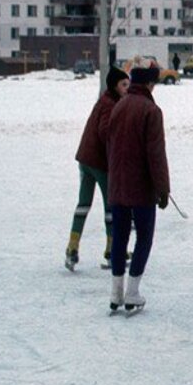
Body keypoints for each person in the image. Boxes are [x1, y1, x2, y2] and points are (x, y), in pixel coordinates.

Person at [105, 62, 170, 315]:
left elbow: (109, 144)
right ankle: (132, 293)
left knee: (120, 237)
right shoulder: (151, 110)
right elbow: (156, 153)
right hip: (141, 186)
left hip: (117, 183)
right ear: (149, 84)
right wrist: (163, 188)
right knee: (144, 236)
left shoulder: (118, 106)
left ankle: (115, 292)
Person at [66, 67, 129, 271]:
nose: (127, 89)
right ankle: (112, 251)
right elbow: (105, 132)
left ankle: (72, 247)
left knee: (83, 204)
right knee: (111, 206)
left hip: (85, 159)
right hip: (100, 163)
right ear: (114, 86)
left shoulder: (104, 101)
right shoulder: (110, 105)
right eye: (123, 85)